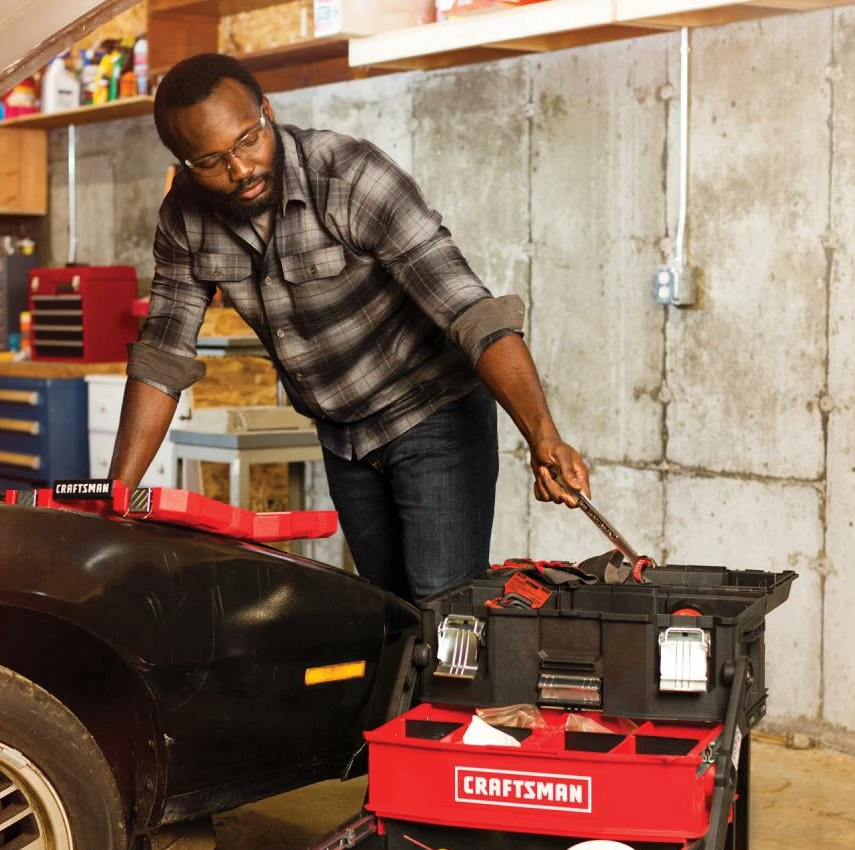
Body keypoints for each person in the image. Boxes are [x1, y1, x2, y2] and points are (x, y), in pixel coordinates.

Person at [110, 53, 590, 605]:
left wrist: (543, 435)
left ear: (267, 110)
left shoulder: (349, 176)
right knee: (386, 610)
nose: (240, 169)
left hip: (433, 414)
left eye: (247, 141)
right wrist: (115, 495)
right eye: (212, 160)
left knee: (441, 604)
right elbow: (162, 354)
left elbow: (467, 309)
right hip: (344, 437)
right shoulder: (184, 219)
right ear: (182, 162)